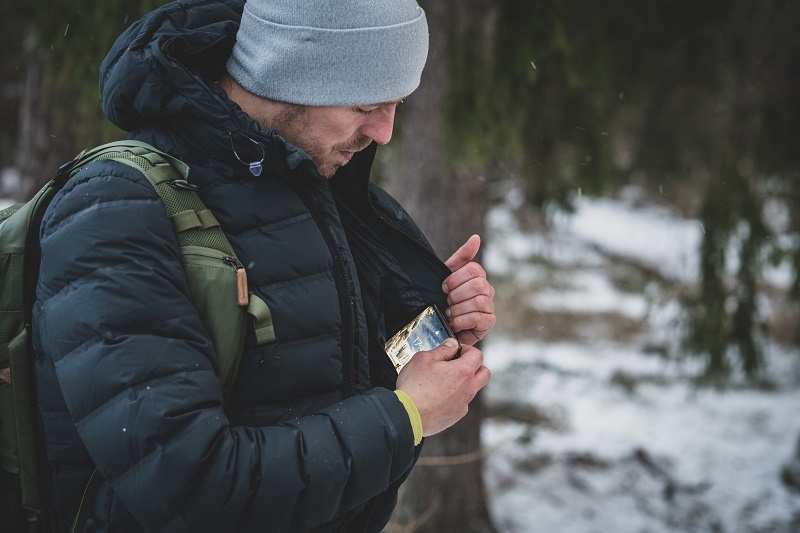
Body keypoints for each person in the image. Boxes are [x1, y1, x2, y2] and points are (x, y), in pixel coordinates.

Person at [31, 0, 496, 531]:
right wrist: (406, 415)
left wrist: (438, 323)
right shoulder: (115, 210)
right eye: (366, 104)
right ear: (288, 74)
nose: (385, 131)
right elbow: (191, 488)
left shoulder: (324, 188)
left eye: (397, 103)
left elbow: (327, 384)